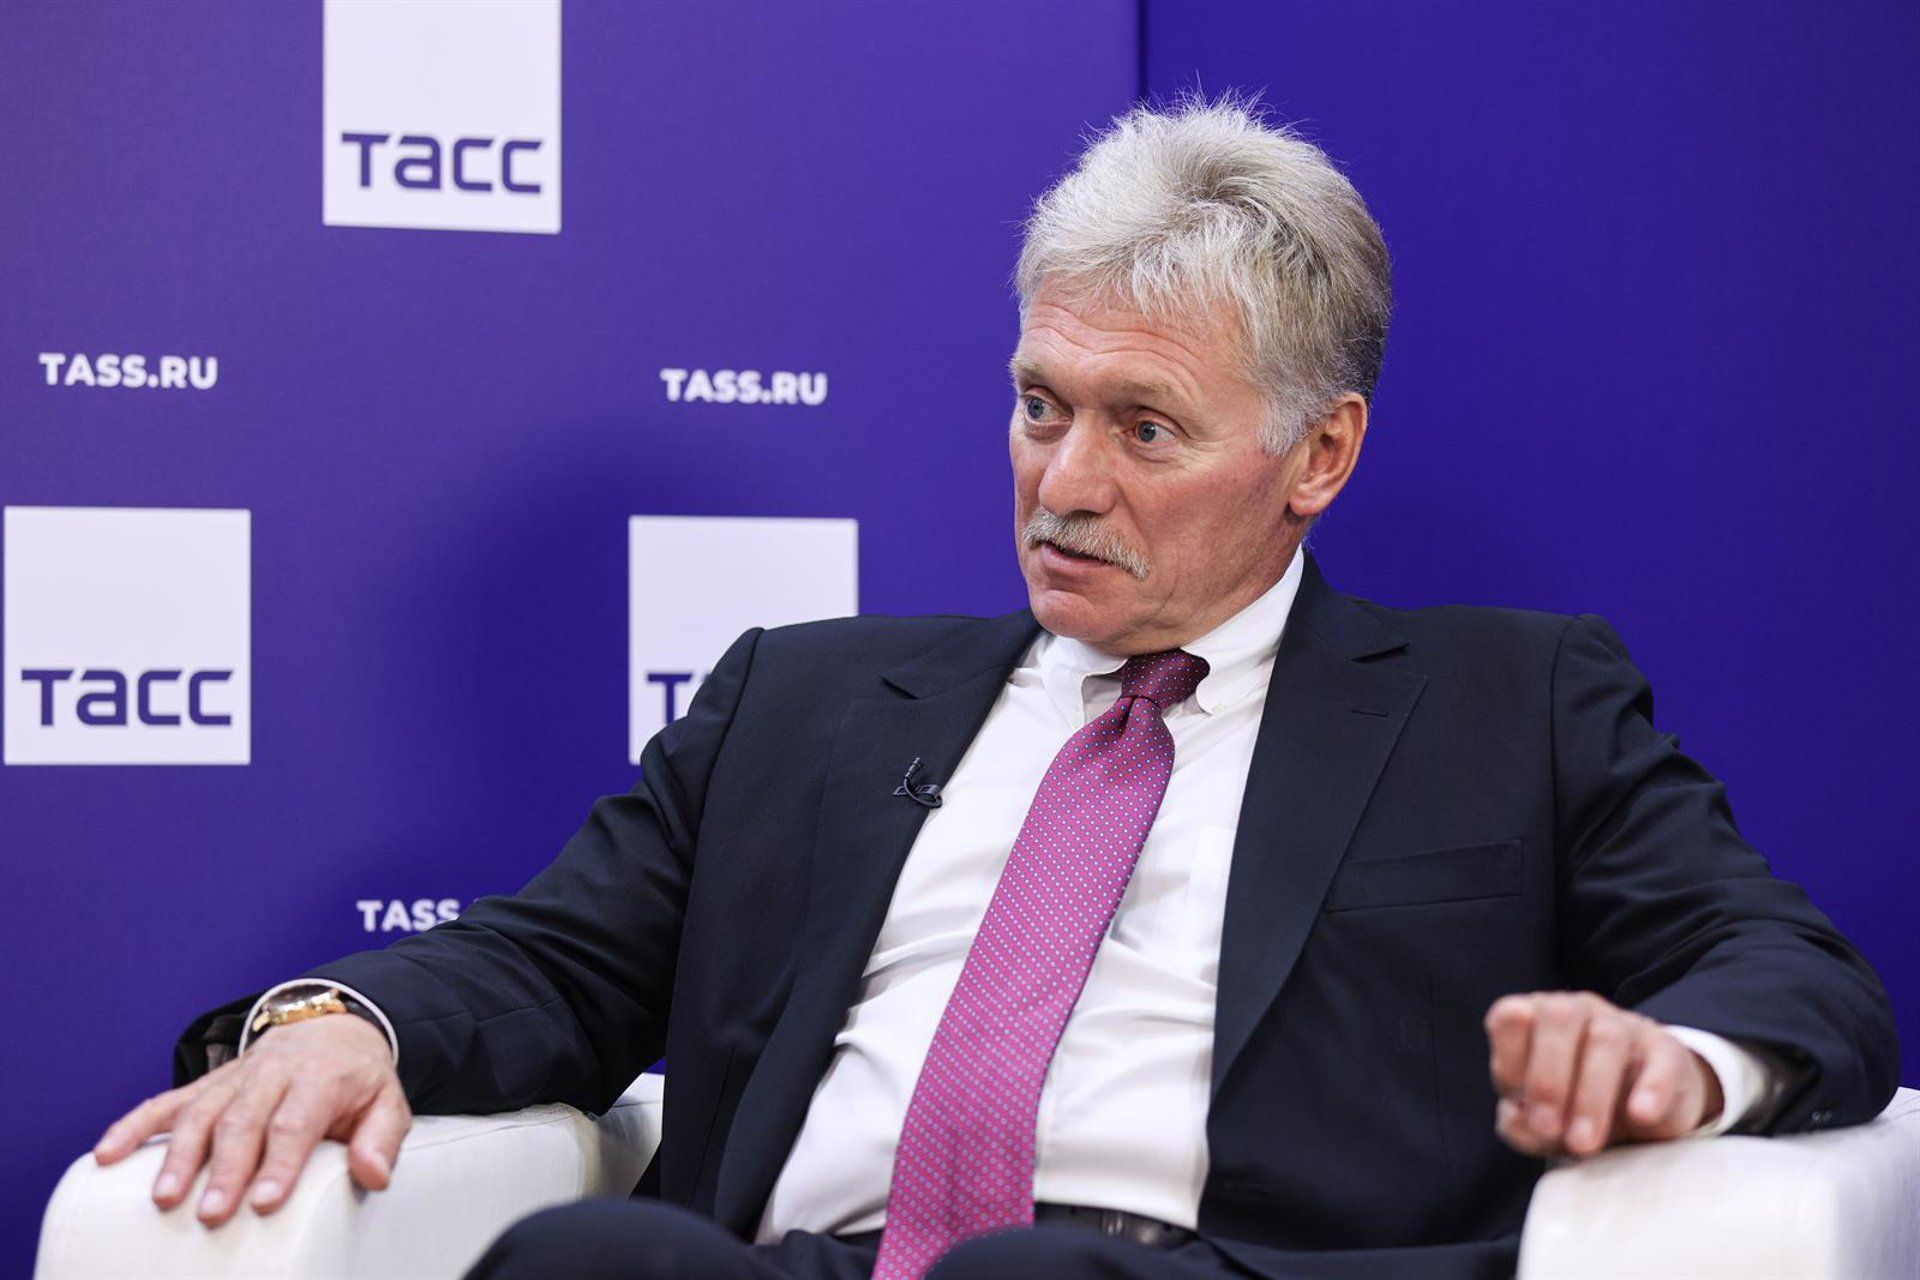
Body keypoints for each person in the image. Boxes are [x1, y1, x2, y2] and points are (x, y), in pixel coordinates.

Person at [93, 98, 1898, 1280]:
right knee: (590, 1260)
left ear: (1320, 455)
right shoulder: (803, 700)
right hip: (812, 1261)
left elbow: (1792, 970)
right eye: (1042, 405)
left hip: (1194, 1270)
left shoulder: (1513, 702)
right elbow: (553, 961)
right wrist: (341, 1020)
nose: (1062, 481)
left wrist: (1676, 1062)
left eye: (1144, 428)